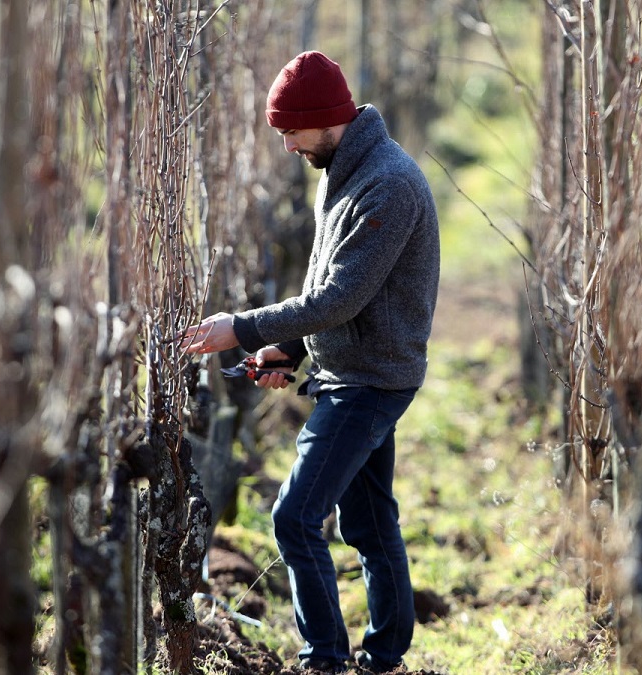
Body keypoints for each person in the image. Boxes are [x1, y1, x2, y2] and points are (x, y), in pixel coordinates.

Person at [178, 50, 440, 673]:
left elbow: (341, 297)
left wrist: (241, 328)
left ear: (326, 120)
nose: (288, 145)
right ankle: (384, 659)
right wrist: (288, 349)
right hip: (349, 370)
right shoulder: (343, 172)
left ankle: (324, 659)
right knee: (371, 524)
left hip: (370, 380)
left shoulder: (388, 185)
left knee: (295, 517)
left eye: (291, 131)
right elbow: (337, 290)